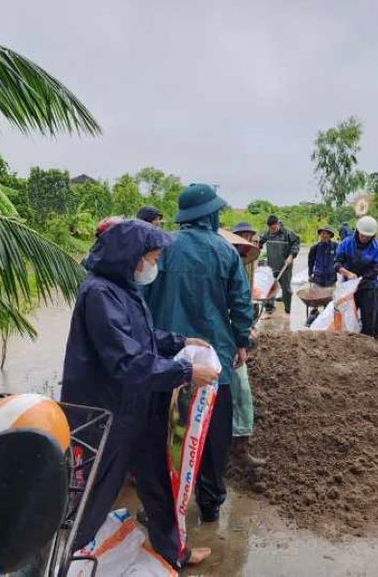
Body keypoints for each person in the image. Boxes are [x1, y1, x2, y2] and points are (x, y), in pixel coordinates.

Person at [61, 219, 214, 568]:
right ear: (132, 257)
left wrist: (180, 342)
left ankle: (174, 550)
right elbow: (128, 361)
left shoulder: (123, 288)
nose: (154, 266)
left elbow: (141, 337)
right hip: (108, 414)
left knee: (157, 481)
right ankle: (65, 557)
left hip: (136, 406)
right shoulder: (99, 294)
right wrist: (186, 371)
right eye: (153, 258)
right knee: (96, 491)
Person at [146, 183, 253, 523]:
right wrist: (240, 342)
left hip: (168, 358)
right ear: (210, 215)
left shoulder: (160, 249)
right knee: (213, 431)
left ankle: (162, 505)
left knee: (165, 430)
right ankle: (210, 503)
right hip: (214, 360)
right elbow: (240, 303)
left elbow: (143, 300)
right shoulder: (225, 253)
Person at [227, 222, 265, 470]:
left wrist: (246, 331)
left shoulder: (243, 269)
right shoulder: (224, 266)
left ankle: (239, 449)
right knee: (236, 391)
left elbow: (243, 304)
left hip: (230, 335)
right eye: (240, 241)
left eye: (247, 241)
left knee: (241, 394)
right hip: (220, 339)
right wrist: (241, 340)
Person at [334, 216, 378, 338]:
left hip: (368, 285)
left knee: (369, 318)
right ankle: (346, 341)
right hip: (348, 287)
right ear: (357, 231)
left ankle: (367, 341)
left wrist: (361, 280)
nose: (364, 239)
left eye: (368, 237)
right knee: (346, 316)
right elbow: (337, 264)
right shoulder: (346, 244)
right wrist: (347, 273)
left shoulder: (376, 247)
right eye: (362, 236)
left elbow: (377, 268)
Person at [258, 215, 300, 314]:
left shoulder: (287, 233)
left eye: (274, 228)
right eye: (270, 228)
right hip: (271, 265)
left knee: (286, 289)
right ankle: (269, 308)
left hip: (285, 265)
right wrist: (257, 247)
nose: (272, 230)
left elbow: (296, 242)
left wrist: (292, 256)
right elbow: (260, 242)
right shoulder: (267, 234)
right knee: (269, 286)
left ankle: (288, 309)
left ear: (278, 224)